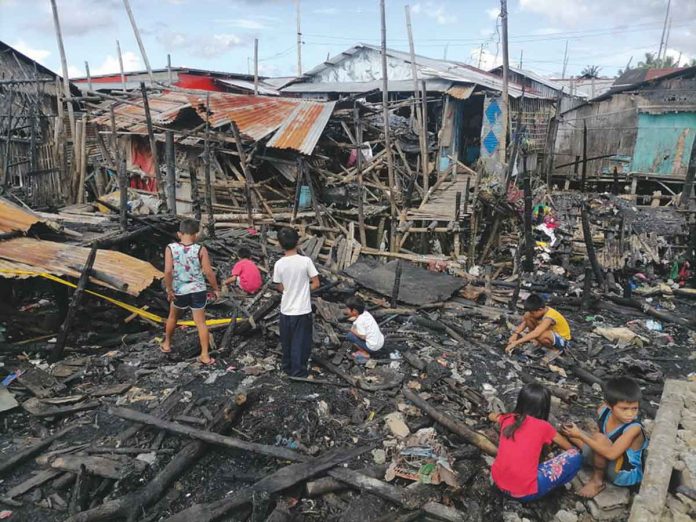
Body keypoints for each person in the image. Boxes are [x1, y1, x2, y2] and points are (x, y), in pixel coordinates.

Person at [490, 383, 582, 502]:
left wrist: (490, 415)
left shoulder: (507, 418)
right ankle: (554, 488)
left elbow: (495, 417)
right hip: (523, 493)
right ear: (544, 407)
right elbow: (568, 447)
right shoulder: (544, 427)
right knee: (575, 456)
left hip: (498, 482)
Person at [561, 377, 648, 498]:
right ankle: (581, 453)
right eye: (624, 409)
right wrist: (578, 434)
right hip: (607, 457)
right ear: (609, 406)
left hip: (623, 473)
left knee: (596, 438)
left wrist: (581, 435)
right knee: (567, 430)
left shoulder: (634, 428)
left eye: (634, 409)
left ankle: (597, 481)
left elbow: (611, 454)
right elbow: (597, 433)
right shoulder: (603, 411)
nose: (630, 414)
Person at [162, 218, 220, 365]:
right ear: (196, 234)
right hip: (198, 290)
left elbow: (168, 271)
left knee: (173, 317)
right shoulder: (200, 249)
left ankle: (167, 344)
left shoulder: (170, 248)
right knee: (201, 323)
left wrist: (169, 289)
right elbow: (208, 271)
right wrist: (215, 289)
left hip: (179, 290)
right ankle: (205, 355)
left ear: (179, 234)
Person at [272, 228, 320, 377]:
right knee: (301, 342)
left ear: (280, 245)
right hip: (302, 310)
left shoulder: (279, 264)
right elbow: (316, 283)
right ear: (298, 242)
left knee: (287, 341)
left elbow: (279, 286)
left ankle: (287, 367)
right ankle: (298, 371)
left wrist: (289, 290)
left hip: (286, 309)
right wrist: (304, 290)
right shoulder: (305, 261)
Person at [505, 294, 571, 354]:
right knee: (527, 316)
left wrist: (516, 342)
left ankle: (554, 349)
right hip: (551, 334)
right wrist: (515, 334)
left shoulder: (549, 317)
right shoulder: (540, 311)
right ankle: (536, 341)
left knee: (541, 335)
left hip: (563, 340)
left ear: (540, 309)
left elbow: (536, 333)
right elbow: (525, 322)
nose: (531, 314)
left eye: (533, 313)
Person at [343, 295, 385, 360]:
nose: (346, 310)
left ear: (354, 311)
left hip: (373, 347)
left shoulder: (359, 321)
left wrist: (353, 330)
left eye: (347, 309)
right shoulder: (366, 313)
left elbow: (363, 337)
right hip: (380, 342)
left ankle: (365, 353)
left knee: (350, 336)